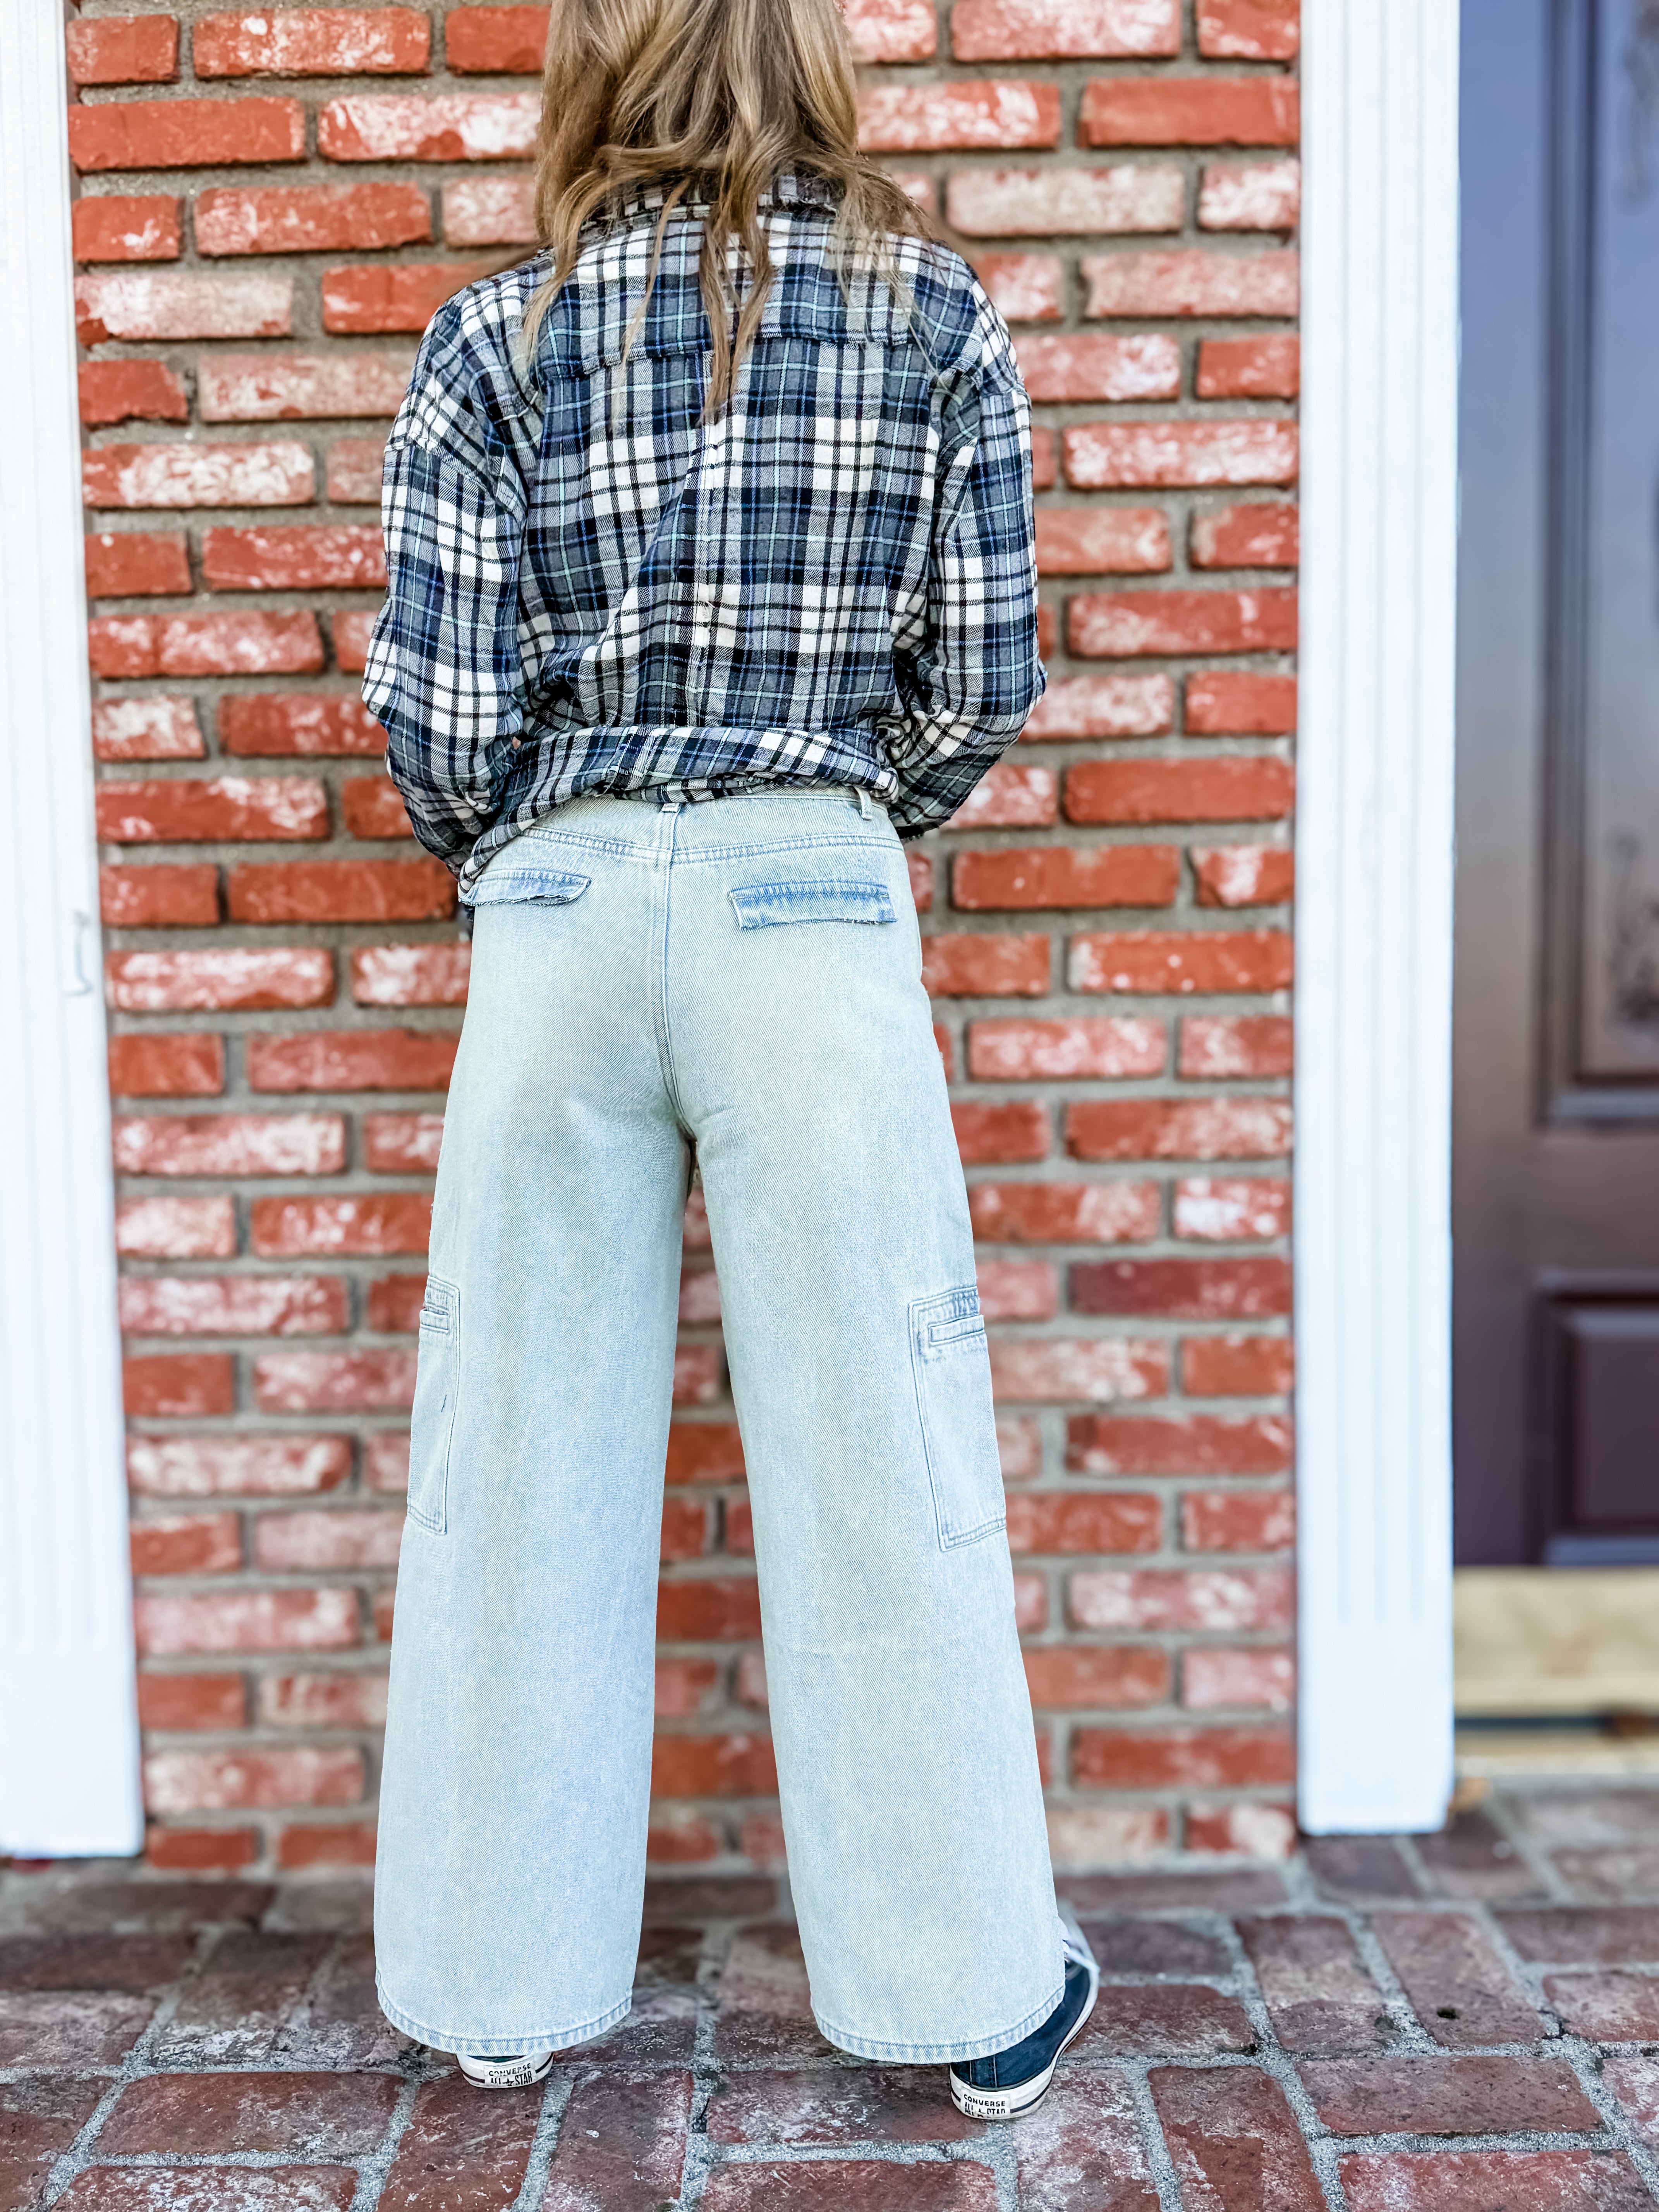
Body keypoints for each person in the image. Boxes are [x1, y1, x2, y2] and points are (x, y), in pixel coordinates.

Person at [361, 0, 1097, 2123]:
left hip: (563, 911)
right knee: (887, 1451)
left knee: (515, 1454)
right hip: (813, 902)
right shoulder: (935, 310)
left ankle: (497, 1985)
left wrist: (561, 844)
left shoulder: (492, 336)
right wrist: (825, 824)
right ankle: (967, 1994)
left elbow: (439, 730)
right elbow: (980, 679)